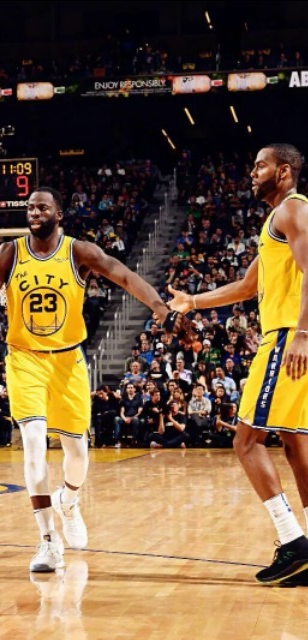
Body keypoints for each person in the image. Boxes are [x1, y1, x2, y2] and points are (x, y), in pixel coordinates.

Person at [0, 186, 194, 573]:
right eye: (30, 207)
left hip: (68, 360)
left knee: (77, 454)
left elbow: (124, 276)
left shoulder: (78, 252)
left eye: (42, 207)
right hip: (23, 358)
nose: (34, 212)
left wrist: (159, 308)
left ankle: (68, 502)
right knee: (33, 445)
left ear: (59, 214)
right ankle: (47, 541)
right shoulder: (9, 253)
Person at [169, 143, 308, 585]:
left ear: (283, 171)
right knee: (296, 443)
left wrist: (302, 334)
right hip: (291, 335)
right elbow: (247, 286)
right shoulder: (276, 222)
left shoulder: (293, 209)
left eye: (260, 165)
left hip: (288, 336)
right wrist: (193, 301)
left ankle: (293, 540)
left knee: (246, 441)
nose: (252, 172)